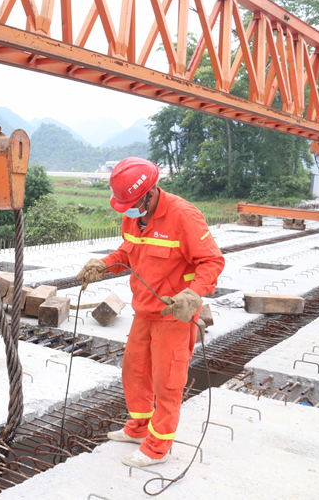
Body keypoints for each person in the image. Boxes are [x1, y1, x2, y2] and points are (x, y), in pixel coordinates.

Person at [77, 158, 224, 468]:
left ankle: (158, 448)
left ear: (148, 194)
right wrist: (104, 264)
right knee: (135, 371)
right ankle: (139, 428)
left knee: (167, 382)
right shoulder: (133, 217)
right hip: (144, 310)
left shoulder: (183, 216)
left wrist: (193, 295)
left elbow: (212, 262)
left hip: (174, 314)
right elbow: (129, 253)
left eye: (131, 204)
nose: (127, 211)